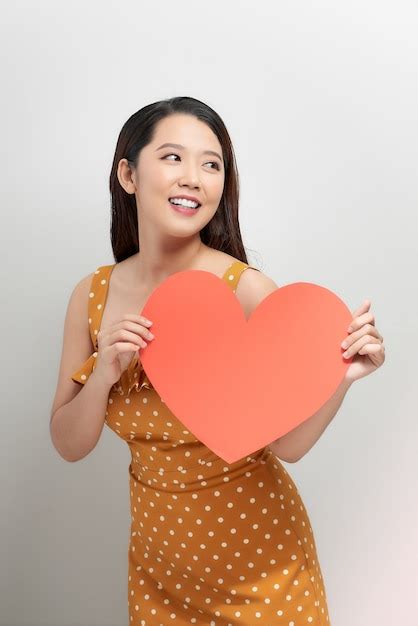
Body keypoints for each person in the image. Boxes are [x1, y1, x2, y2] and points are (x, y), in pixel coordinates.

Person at [50, 96, 385, 625]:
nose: (194, 178)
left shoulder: (247, 290)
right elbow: (68, 443)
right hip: (158, 570)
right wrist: (103, 377)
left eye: (212, 164)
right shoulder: (92, 295)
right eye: (173, 158)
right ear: (128, 174)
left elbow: (285, 446)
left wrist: (343, 376)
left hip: (263, 571)